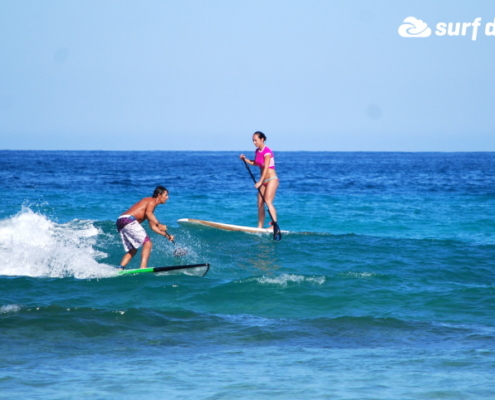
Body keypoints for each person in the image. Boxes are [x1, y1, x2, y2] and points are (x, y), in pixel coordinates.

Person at [116, 186, 174, 269]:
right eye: (166, 195)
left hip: (121, 221)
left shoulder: (150, 206)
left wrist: (166, 235)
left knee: (133, 250)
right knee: (148, 243)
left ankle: (120, 267)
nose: (168, 198)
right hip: (129, 219)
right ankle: (143, 267)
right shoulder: (151, 201)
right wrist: (159, 224)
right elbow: (149, 214)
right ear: (159, 195)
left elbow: (152, 227)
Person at [239, 131, 279, 229]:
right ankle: (260, 227)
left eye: (256, 140)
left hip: (272, 179)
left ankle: (274, 225)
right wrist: (245, 159)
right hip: (263, 181)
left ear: (262, 139)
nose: (254, 142)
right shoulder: (257, 151)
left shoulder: (267, 151)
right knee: (260, 204)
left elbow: (265, 167)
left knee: (268, 202)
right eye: (253, 141)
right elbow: (256, 163)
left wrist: (260, 181)